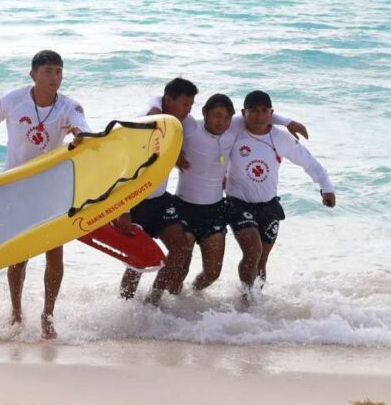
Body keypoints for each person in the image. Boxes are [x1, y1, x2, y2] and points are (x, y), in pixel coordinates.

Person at [0, 50, 89, 339]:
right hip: (17, 189)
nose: (55, 77)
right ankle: (16, 312)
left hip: (52, 189)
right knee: (18, 256)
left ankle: (48, 316)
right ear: (33, 75)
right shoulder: (13, 100)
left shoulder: (70, 106)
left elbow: (86, 130)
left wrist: (80, 134)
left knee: (55, 254)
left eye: (59, 71)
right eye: (48, 71)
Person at [168, 93, 305, 296]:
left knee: (212, 274)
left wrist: (287, 122)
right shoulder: (192, 127)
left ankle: (192, 296)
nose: (221, 121)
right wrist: (172, 151)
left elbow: (259, 115)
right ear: (205, 112)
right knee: (180, 268)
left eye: (226, 117)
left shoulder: (231, 129)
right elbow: (164, 107)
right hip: (184, 207)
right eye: (217, 115)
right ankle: (166, 306)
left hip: (214, 210)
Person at [225, 90, 334, 303]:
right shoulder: (233, 132)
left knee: (261, 259)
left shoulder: (281, 138)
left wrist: (326, 187)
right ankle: (245, 298)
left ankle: (256, 302)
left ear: (271, 113)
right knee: (253, 251)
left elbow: (309, 162)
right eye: (253, 110)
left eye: (264, 111)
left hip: (269, 206)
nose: (259, 115)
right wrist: (288, 120)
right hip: (238, 203)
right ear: (243, 113)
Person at [115, 77, 197, 304]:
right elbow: (123, 169)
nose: (188, 110)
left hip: (159, 201)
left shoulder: (177, 121)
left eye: (191, 104)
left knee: (181, 249)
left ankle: (153, 302)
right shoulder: (144, 123)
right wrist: (123, 210)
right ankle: (125, 307)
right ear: (169, 100)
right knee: (138, 261)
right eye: (185, 104)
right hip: (135, 203)